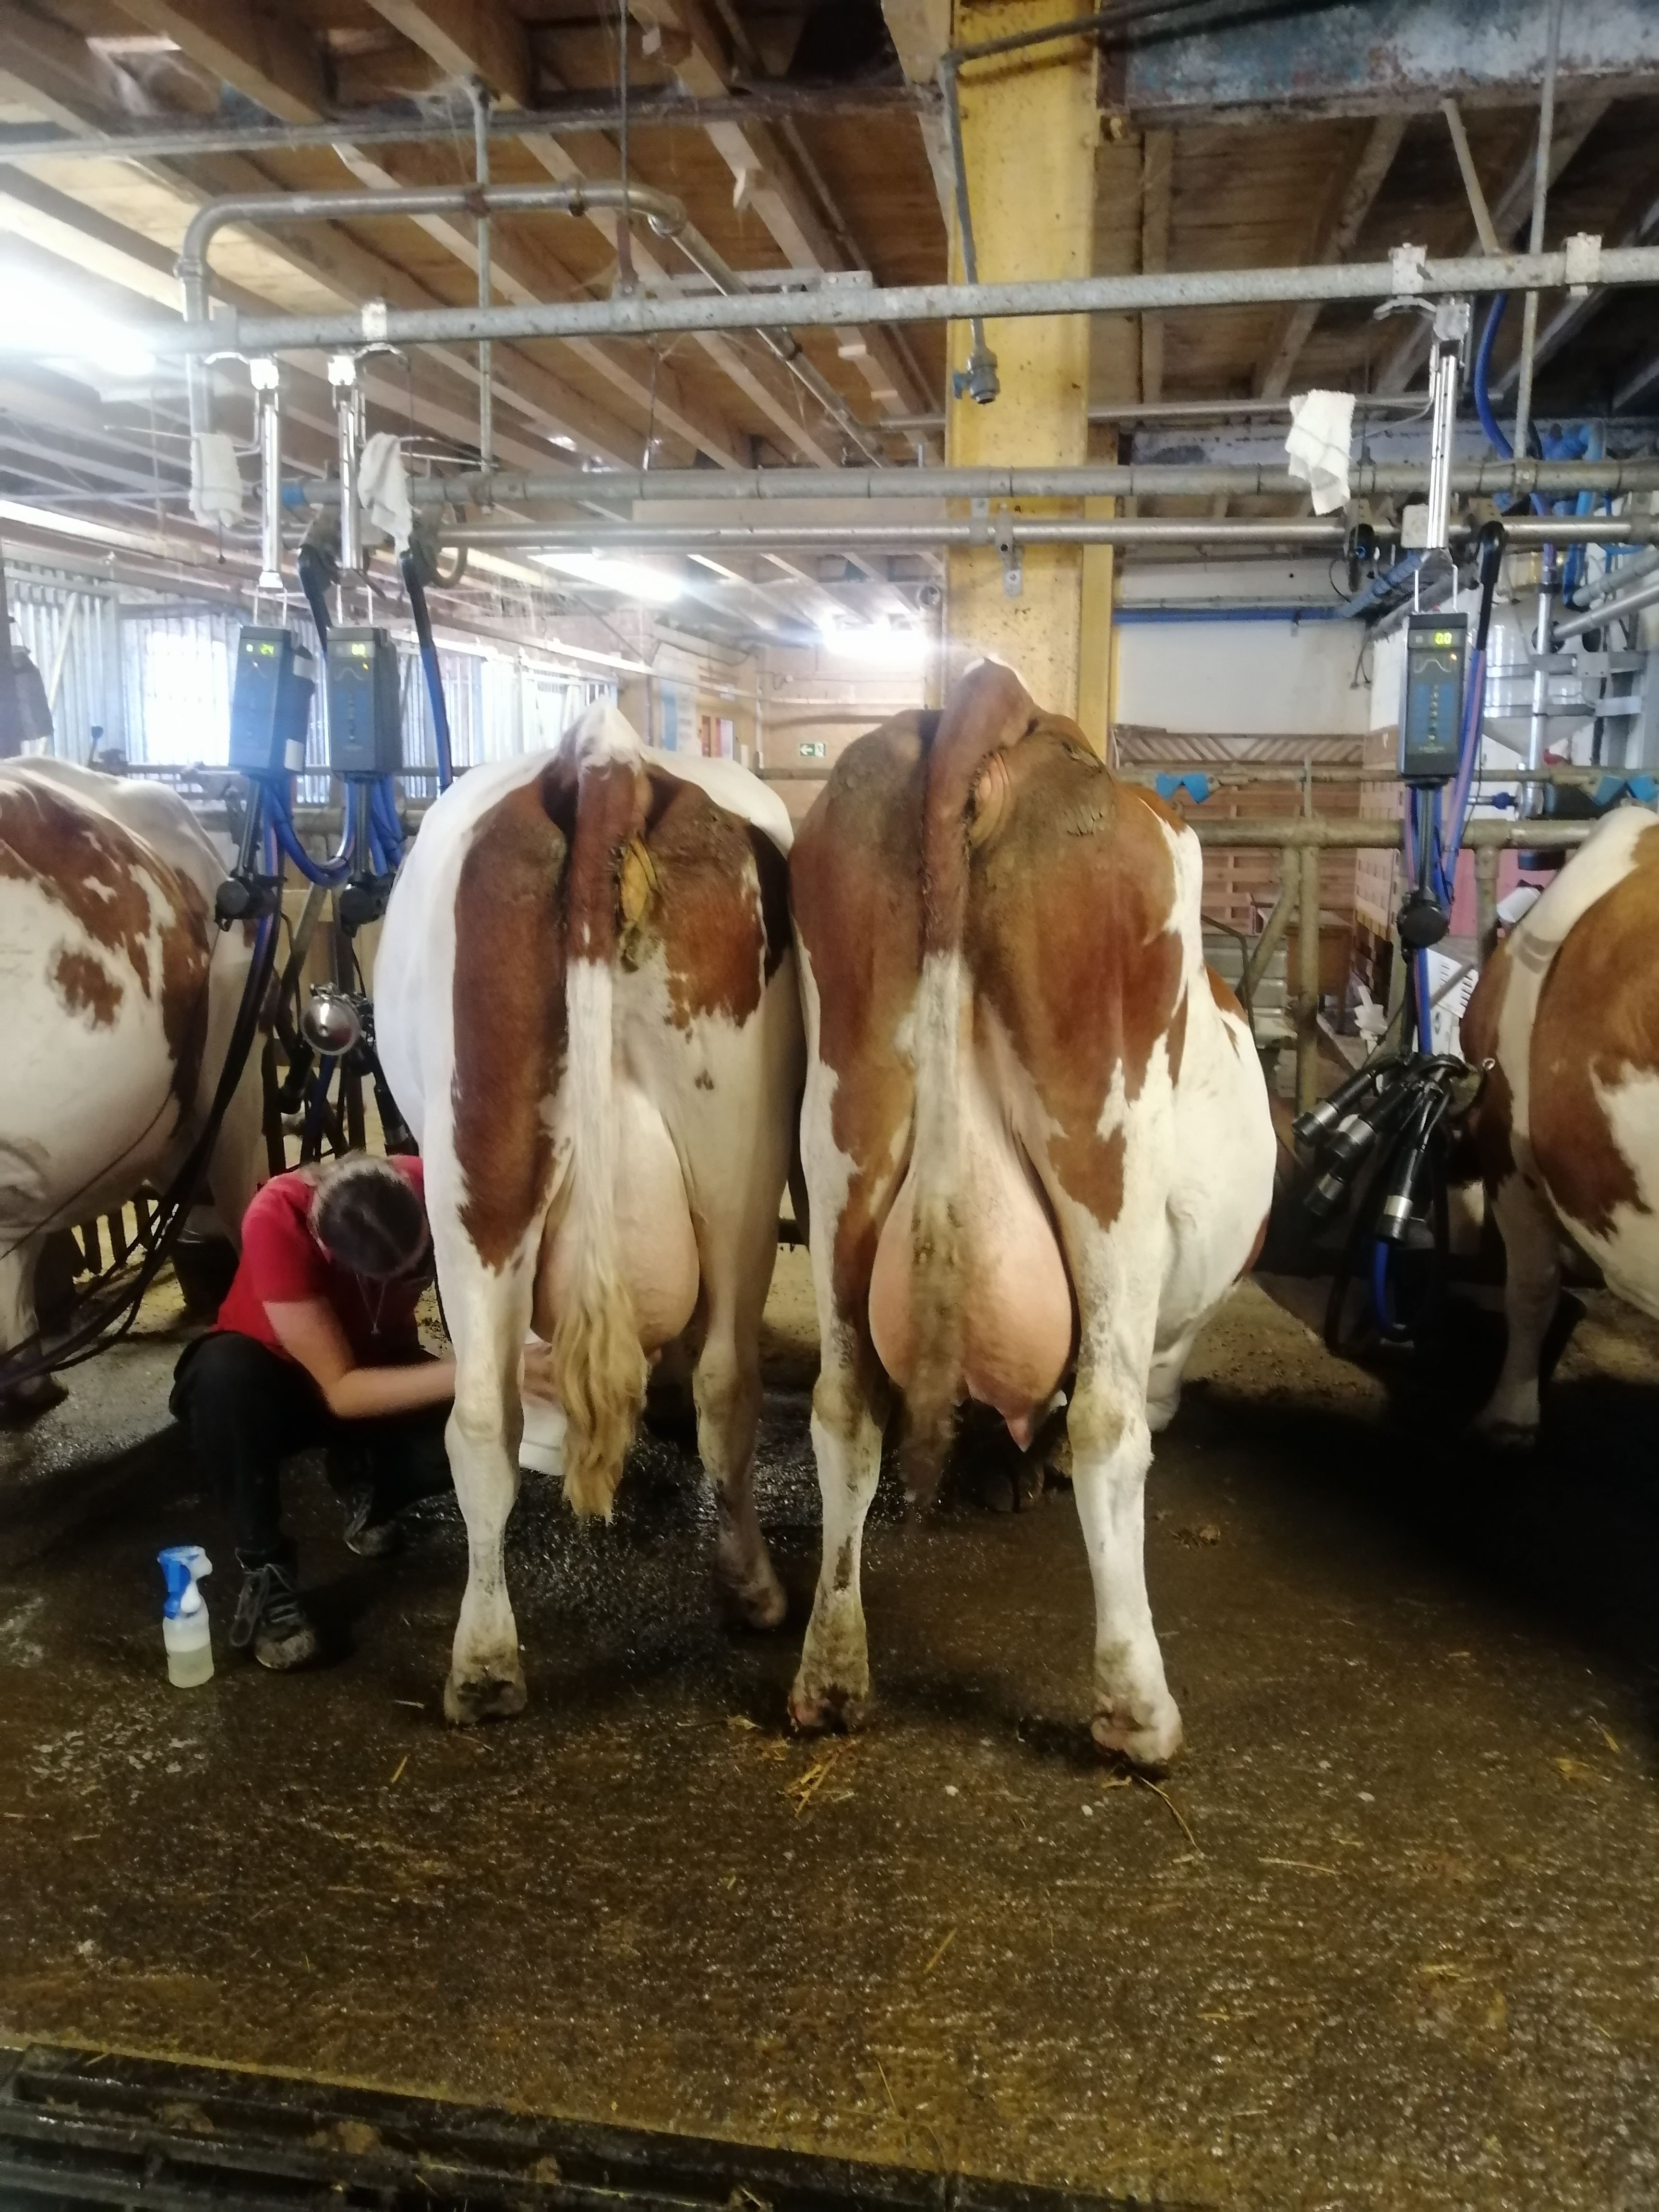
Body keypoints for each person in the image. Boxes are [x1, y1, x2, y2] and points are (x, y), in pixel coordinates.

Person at [170, 1151, 455, 1671]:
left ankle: (367, 1476)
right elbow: (341, 1389)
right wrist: (486, 1371)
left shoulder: (431, 1178)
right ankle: (265, 1567)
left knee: (473, 1432)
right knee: (221, 1378)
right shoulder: (275, 1217)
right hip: (280, 1385)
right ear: (325, 1246)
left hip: (377, 1359)